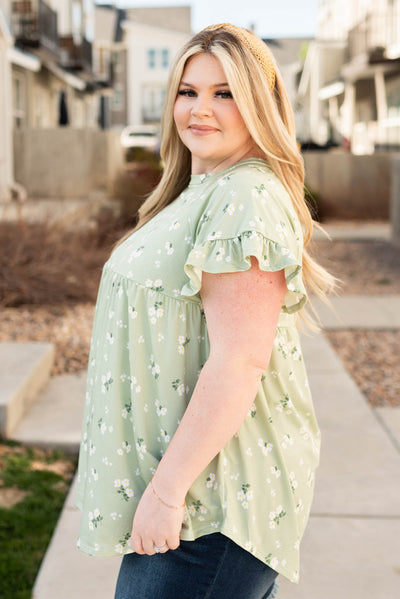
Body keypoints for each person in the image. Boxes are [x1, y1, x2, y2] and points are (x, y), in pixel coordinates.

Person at [74, 23, 335, 598]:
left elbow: (240, 363)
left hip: (211, 507)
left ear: (260, 104)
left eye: (225, 93)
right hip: (191, 498)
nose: (199, 109)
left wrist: (166, 495)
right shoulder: (206, 188)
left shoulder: (245, 196)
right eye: (188, 91)